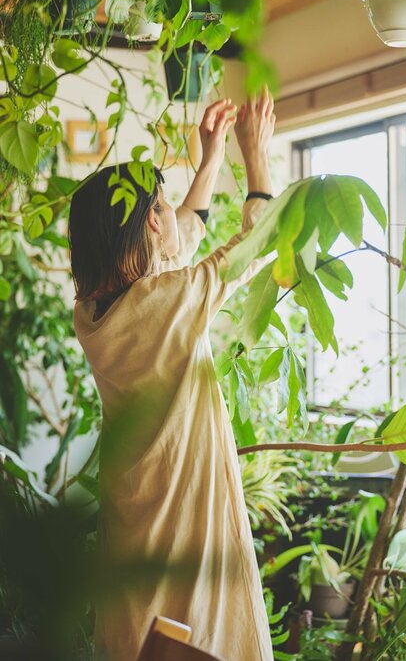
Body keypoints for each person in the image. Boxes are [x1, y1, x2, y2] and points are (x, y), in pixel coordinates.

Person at [70, 92, 276, 661]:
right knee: (198, 639)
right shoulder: (165, 302)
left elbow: (180, 240)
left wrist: (209, 159)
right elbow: (253, 246)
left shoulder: (93, 313)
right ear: (148, 226)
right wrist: (255, 158)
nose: (171, 215)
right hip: (184, 521)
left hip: (136, 520)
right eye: (161, 207)